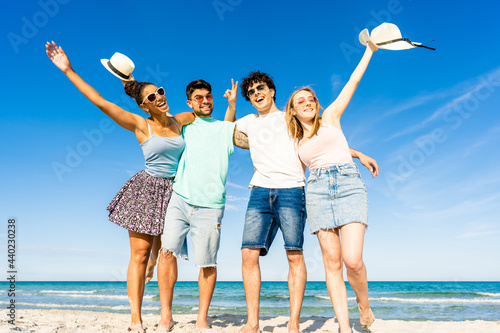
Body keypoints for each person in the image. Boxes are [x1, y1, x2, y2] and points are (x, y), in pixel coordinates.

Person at [45, 41, 194, 333]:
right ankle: (136, 320)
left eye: (161, 91)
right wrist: (68, 70)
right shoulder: (140, 124)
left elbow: (208, 120)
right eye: (153, 95)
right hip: (147, 190)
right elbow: (101, 101)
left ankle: (166, 314)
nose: (160, 97)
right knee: (139, 254)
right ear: (144, 104)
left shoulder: (181, 120)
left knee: (166, 253)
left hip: (176, 192)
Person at [225, 72, 378, 333]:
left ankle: (293, 323)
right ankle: (252, 323)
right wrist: (231, 108)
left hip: (293, 190)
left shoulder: (291, 120)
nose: (256, 93)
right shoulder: (248, 122)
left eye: (260, 88)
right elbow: (226, 133)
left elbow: (322, 144)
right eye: (250, 92)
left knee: (294, 255)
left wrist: (357, 153)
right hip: (259, 189)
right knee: (248, 253)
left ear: (272, 91)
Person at [284, 40, 379, 333]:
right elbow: (318, 157)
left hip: (349, 185)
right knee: (333, 263)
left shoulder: (331, 118)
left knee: (352, 260)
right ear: (293, 110)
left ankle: (364, 306)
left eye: (310, 98)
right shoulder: (296, 143)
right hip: (317, 193)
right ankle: (345, 327)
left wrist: (370, 50)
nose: (307, 102)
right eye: (300, 100)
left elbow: (353, 80)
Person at [156, 79, 249, 331]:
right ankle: (166, 316)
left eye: (208, 96)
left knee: (207, 262)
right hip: (180, 197)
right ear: (189, 102)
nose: (205, 101)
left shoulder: (223, 128)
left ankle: (201, 319)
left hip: (211, 204)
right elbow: (160, 117)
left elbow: (230, 125)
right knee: (166, 253)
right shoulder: (183, 125)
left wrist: (232, 104)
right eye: (199, 97)